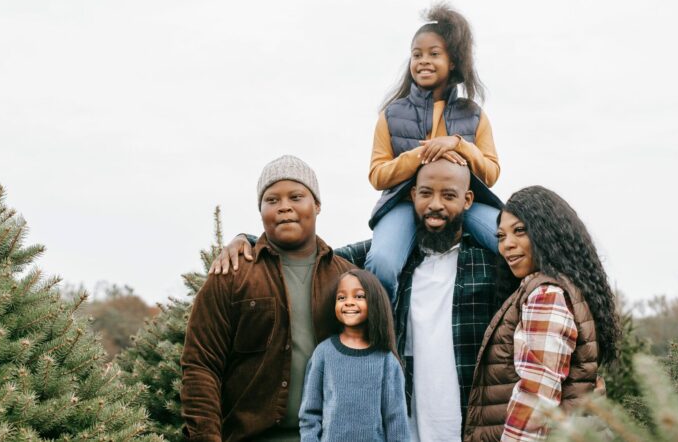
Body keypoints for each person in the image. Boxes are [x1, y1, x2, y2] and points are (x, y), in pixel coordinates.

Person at [211, 159, 503, 441]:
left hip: (468, 423)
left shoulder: (488, 265)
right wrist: (248, 239)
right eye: (426, 193)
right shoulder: (390, 259)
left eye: (448, 196)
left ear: (467, 200)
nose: (435, 204)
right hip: (404, 425)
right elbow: (311, 255)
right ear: (413, 196)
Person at [180, 155, 358, 442]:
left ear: (317, 205)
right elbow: (201, 365)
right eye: (272, 200)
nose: (284, 206)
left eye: (296, 196)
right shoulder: (231, 275)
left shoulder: (349, 278)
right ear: (261, 210)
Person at [366, 2, 501, 299]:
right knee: (382, 262)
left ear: (452, 61)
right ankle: (382, 335)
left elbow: (490, 174)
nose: (423, 61)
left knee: (510, 242)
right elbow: (377, 175)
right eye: (417, 55)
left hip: (463, 204)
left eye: (434, 54)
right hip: (402, 203)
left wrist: (459, 145)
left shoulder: (474, 115)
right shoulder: (391, 115)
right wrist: (420, 155)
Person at [464, 186, 621, 441]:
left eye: (520, 231)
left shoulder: (545, 296)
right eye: (501, 236)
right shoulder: (567, 286)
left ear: (547, 233)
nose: (507, 246)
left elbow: (536, 398)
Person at [299, 269, 409, 442]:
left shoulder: (387, 360)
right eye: (341, 298)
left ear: (374, 300)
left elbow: (396, 422)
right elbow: (310, 415)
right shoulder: (323, 354)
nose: (349, 302)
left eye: (359, 296)